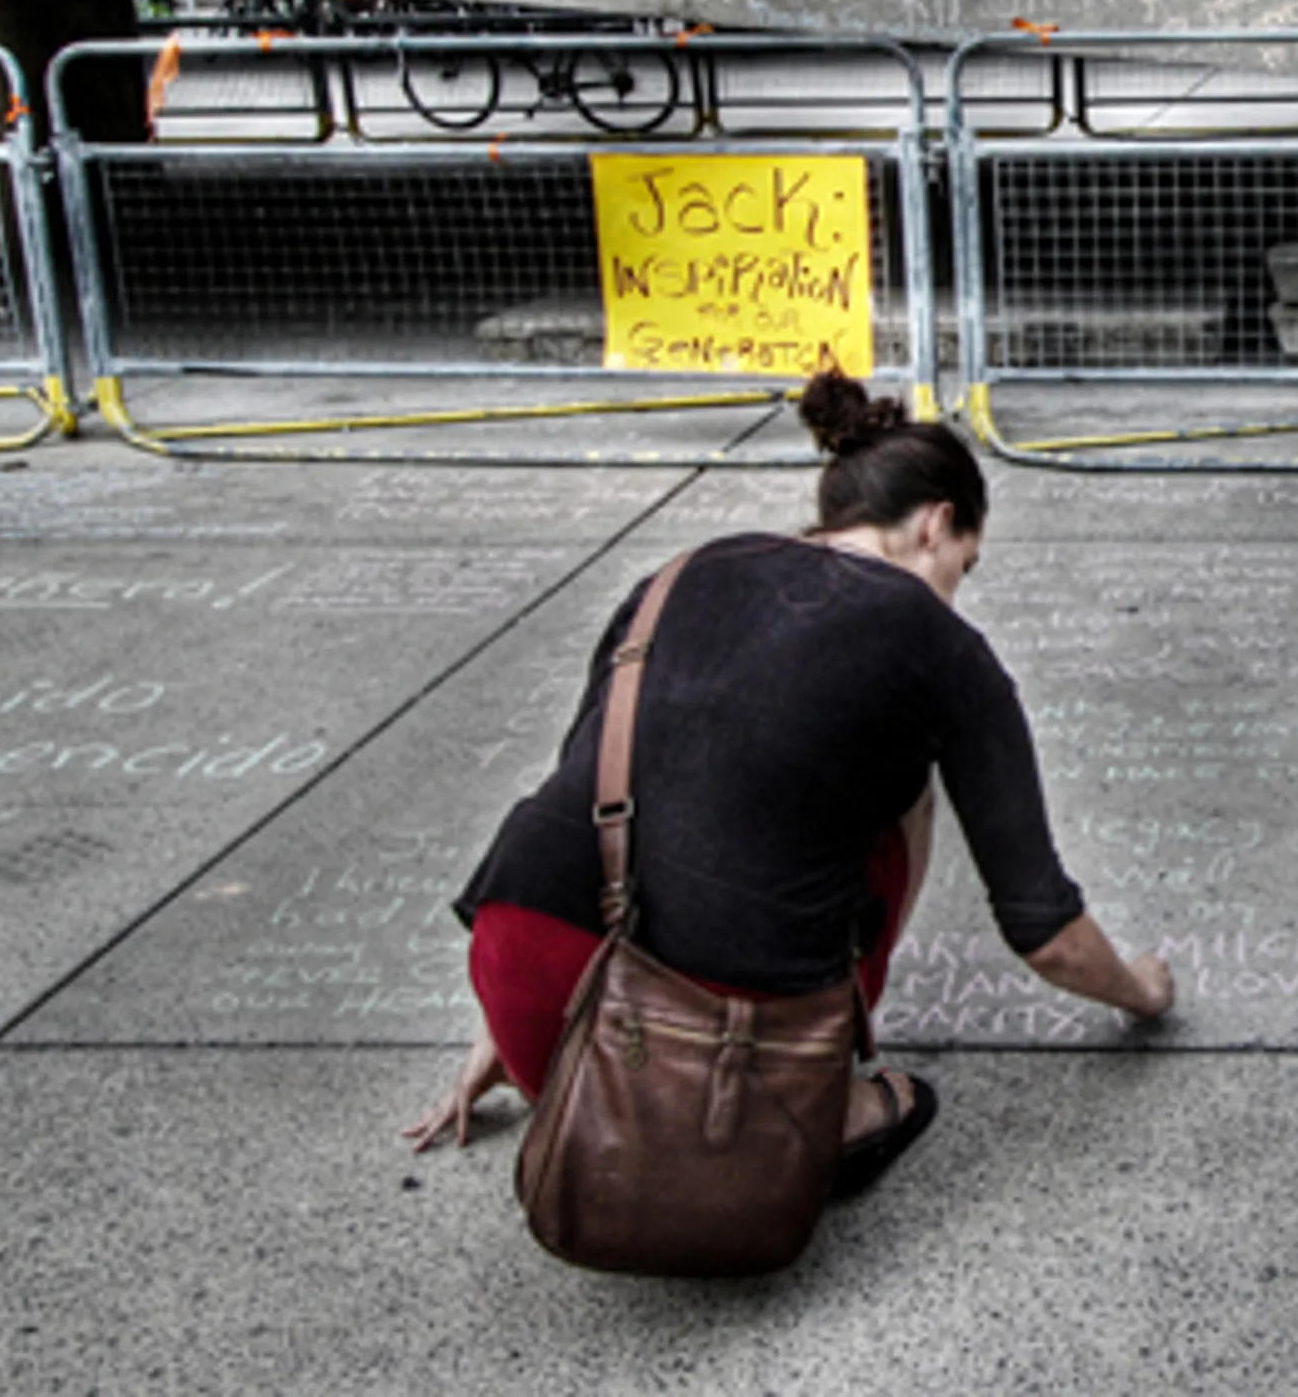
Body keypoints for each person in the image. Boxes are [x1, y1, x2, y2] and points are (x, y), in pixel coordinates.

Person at [403, 372, 1174, 1198]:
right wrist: (1142, 990)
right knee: (903, 803)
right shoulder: (937, 642)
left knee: (657, 766)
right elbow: (1045, 932)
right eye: (965, 565)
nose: (957, 585)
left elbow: (592, 785)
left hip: (524, 972)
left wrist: (515, 1013)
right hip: (722, 1055)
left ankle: (612, 1087)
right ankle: (826, 1092)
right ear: (936, 524)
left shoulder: (674, 578)